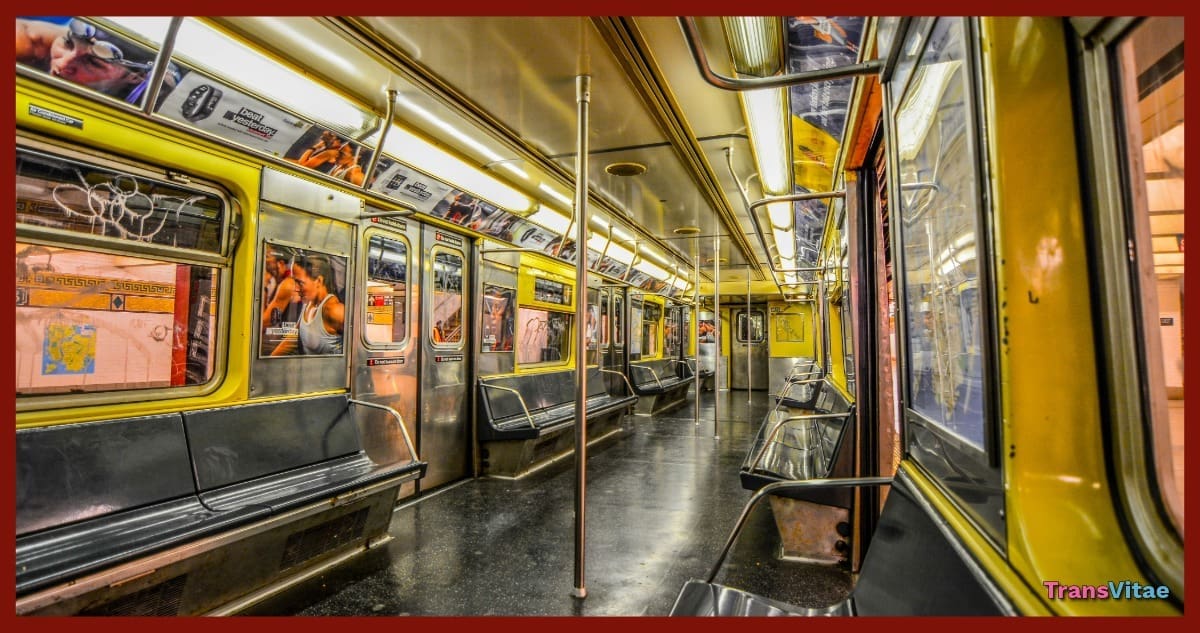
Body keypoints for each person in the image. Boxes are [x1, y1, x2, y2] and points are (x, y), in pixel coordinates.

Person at [16, 17, 176, 103]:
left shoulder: (156, 94)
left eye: (92, 62)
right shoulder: (28, 41)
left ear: (135, 77)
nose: (63, 63)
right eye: (68, 43)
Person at [271, 255, 344, 356]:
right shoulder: (308, 304)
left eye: (300, 283)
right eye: (295, 282)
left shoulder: (334, 311)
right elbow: (290, 342)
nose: (295, 289)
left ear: (319, 281)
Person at [261, 249, 300, 332]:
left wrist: (264, 286)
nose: (265, 260)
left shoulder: (287, 284)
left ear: (280, 264)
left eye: (267, 257)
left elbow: (263, 323)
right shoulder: (280, 282)